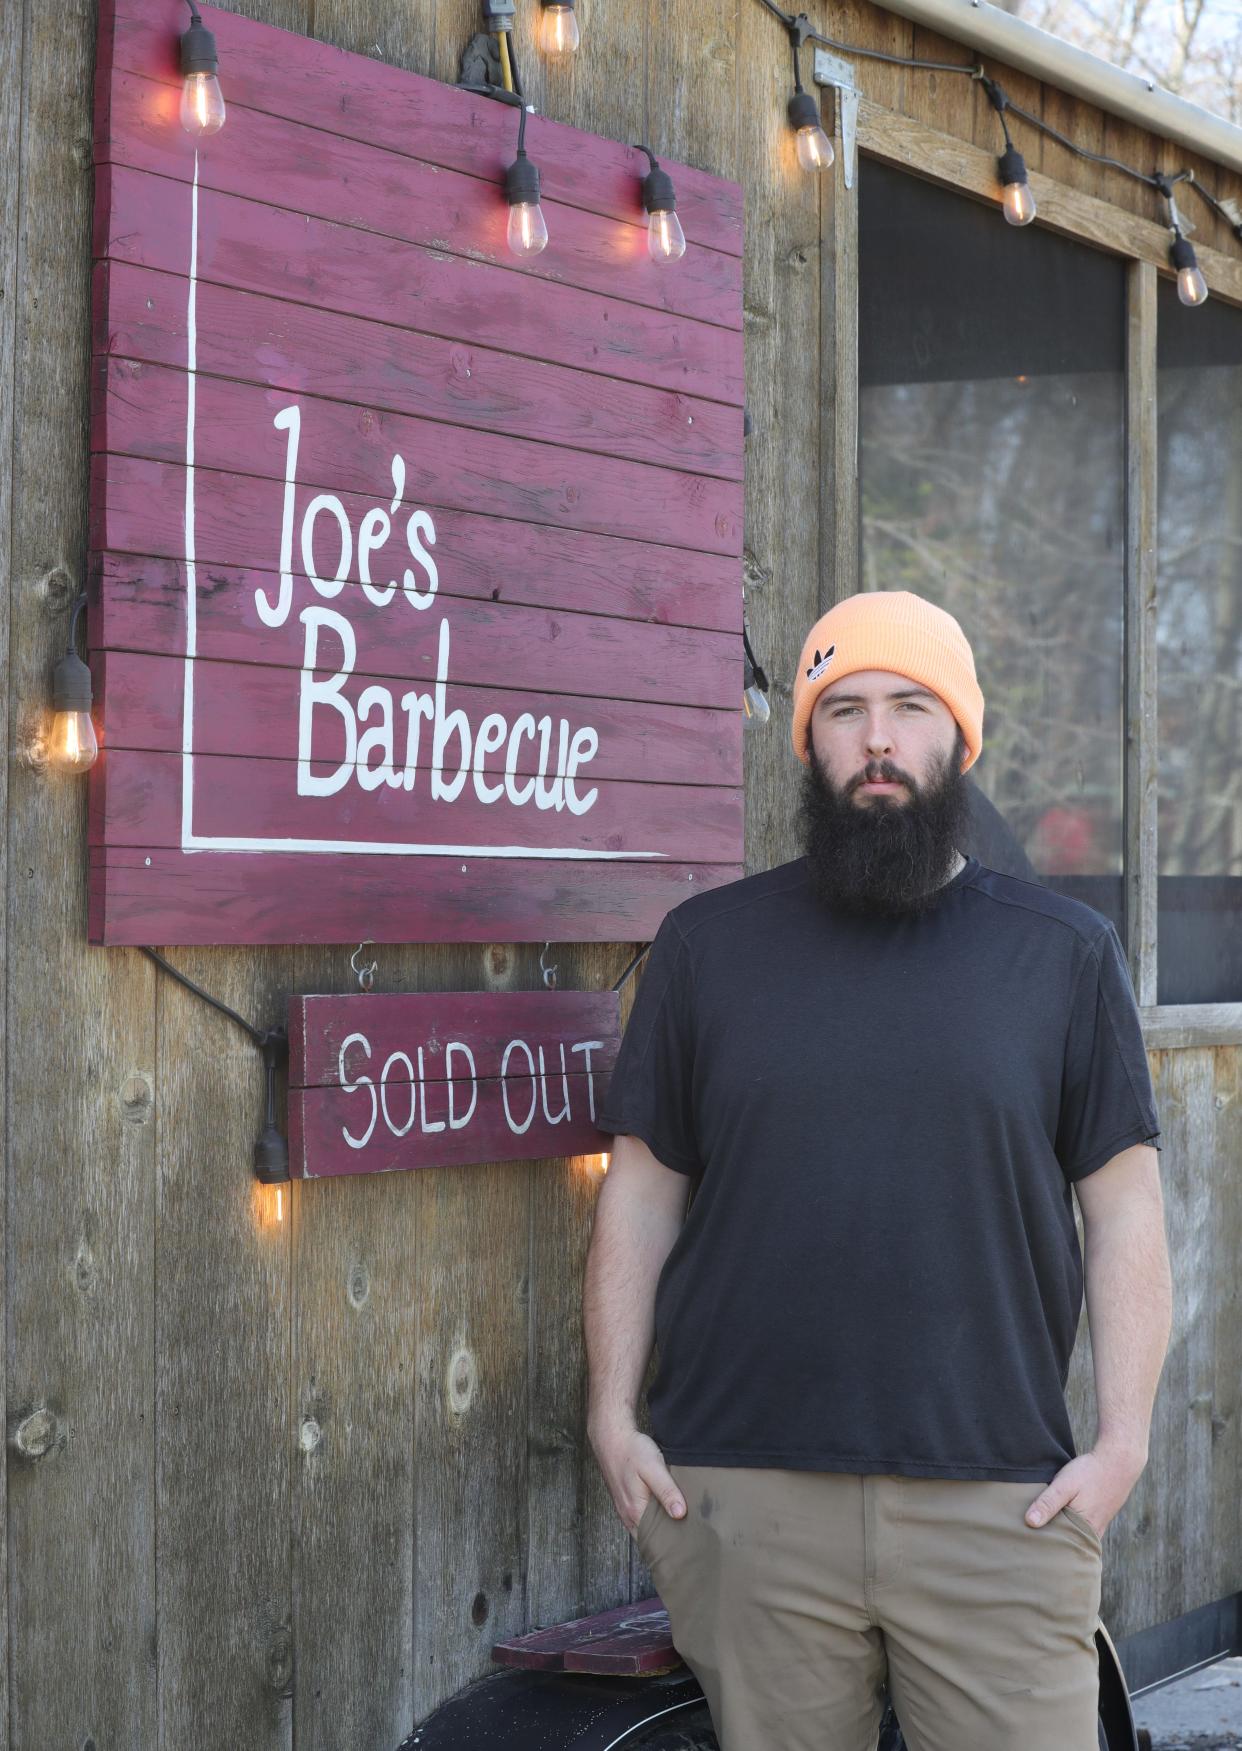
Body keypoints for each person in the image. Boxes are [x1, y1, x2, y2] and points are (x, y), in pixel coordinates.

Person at [584, 589, 1173, 1751]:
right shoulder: (708, 947)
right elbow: (642, 1193)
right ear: (809, 739)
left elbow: (1126, 1210)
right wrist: (611, 1412)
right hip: (746, 1498)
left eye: (910, 706)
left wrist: (1123, 1442)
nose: (878, 738)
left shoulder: (1061, 954)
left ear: (960, 737)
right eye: (843, 709)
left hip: (998, 1500)